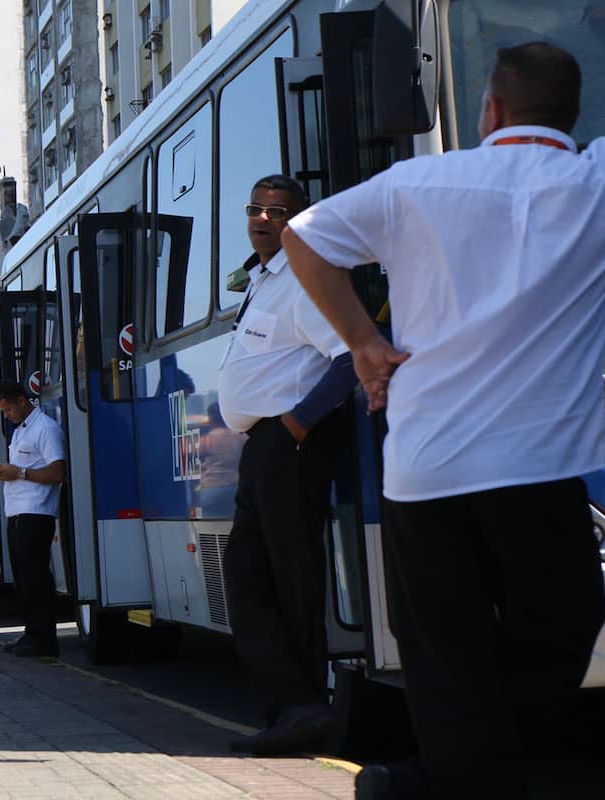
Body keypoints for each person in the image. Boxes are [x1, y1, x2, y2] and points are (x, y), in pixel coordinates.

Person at [283, 43, 605, 799]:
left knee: (446, 651)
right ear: (573, 115)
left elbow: (301, 237)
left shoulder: (417, 182)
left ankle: (440, 780)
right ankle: (447, 780)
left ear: (490, 110)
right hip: (541, 471)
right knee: (565, 624)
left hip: (427, 472)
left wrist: (364, 344)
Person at [216, 175, 357, 756]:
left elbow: (350, 359)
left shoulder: (305, 278)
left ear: (301, 218)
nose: (263, 218)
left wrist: (298, 424)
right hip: (263, 450)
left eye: (278, 211)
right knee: (248, 581)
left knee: (289, 581)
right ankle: (292, 709)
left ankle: (302, 713)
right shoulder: (264, 280)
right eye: (256, 208)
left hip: (291, 444)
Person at [0, 381, 66, 658]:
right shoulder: (21, 431)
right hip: (18, 513)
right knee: (24, 579)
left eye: (8, 409)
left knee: (36, 577)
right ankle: (32, 632)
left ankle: (44, 637)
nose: (6, 415)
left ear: (22, 401)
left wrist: (19, 473)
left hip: (36, 513)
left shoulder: (45, 428)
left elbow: (57, 472)